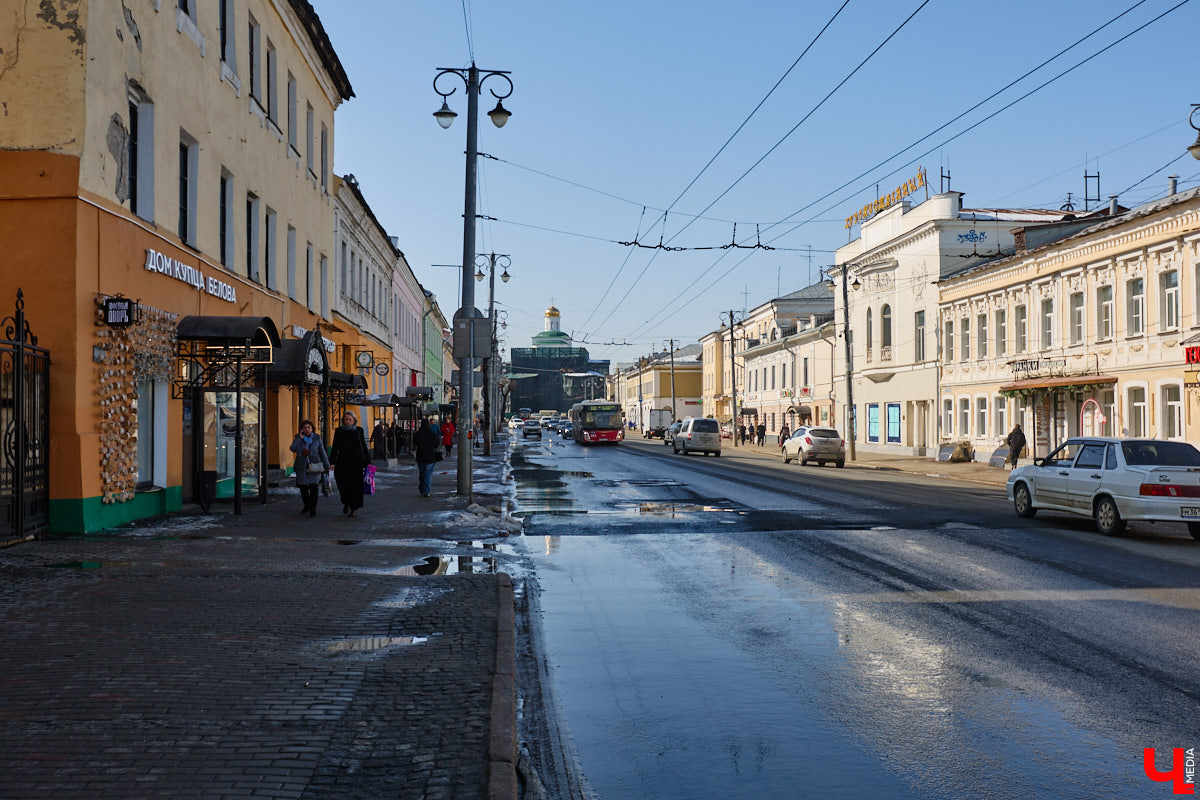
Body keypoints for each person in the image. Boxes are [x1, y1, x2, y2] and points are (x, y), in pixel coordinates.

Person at [330, 410, 371, 518]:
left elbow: (363, 446)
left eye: (350, 420)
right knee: (343, 486)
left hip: (356, 463)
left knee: (356, 487)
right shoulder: (339, 431)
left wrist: (368, 462)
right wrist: (332, 461)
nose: (347, 422)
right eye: (346, 420)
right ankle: (346, 503)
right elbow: (335, 447)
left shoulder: (358, 431)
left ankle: (354, 509)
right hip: (342, 463)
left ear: (354, 421)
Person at [289, 419, 329, 517]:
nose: (307, 429)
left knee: (313, 487)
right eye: (304, 428)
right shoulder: (298, 439)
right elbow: (292, 448)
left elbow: (322, 453)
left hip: (315, 465)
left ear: (312, 429)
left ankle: (312, 508)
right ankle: (306, 506)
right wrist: (299, 438)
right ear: (301, 429)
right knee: (303, 487)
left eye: (308, 427)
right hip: (302, 466)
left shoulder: (317, 439)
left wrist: (326, 465)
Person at [414, 418, 441, 497]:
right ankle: (426, 491)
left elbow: (415, 441)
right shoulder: (432, 434)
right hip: (430, 457)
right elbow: (437, 443)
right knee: (428, 474)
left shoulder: (418, 434)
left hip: (421, 456)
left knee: (422, 474)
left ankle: (422, 489)